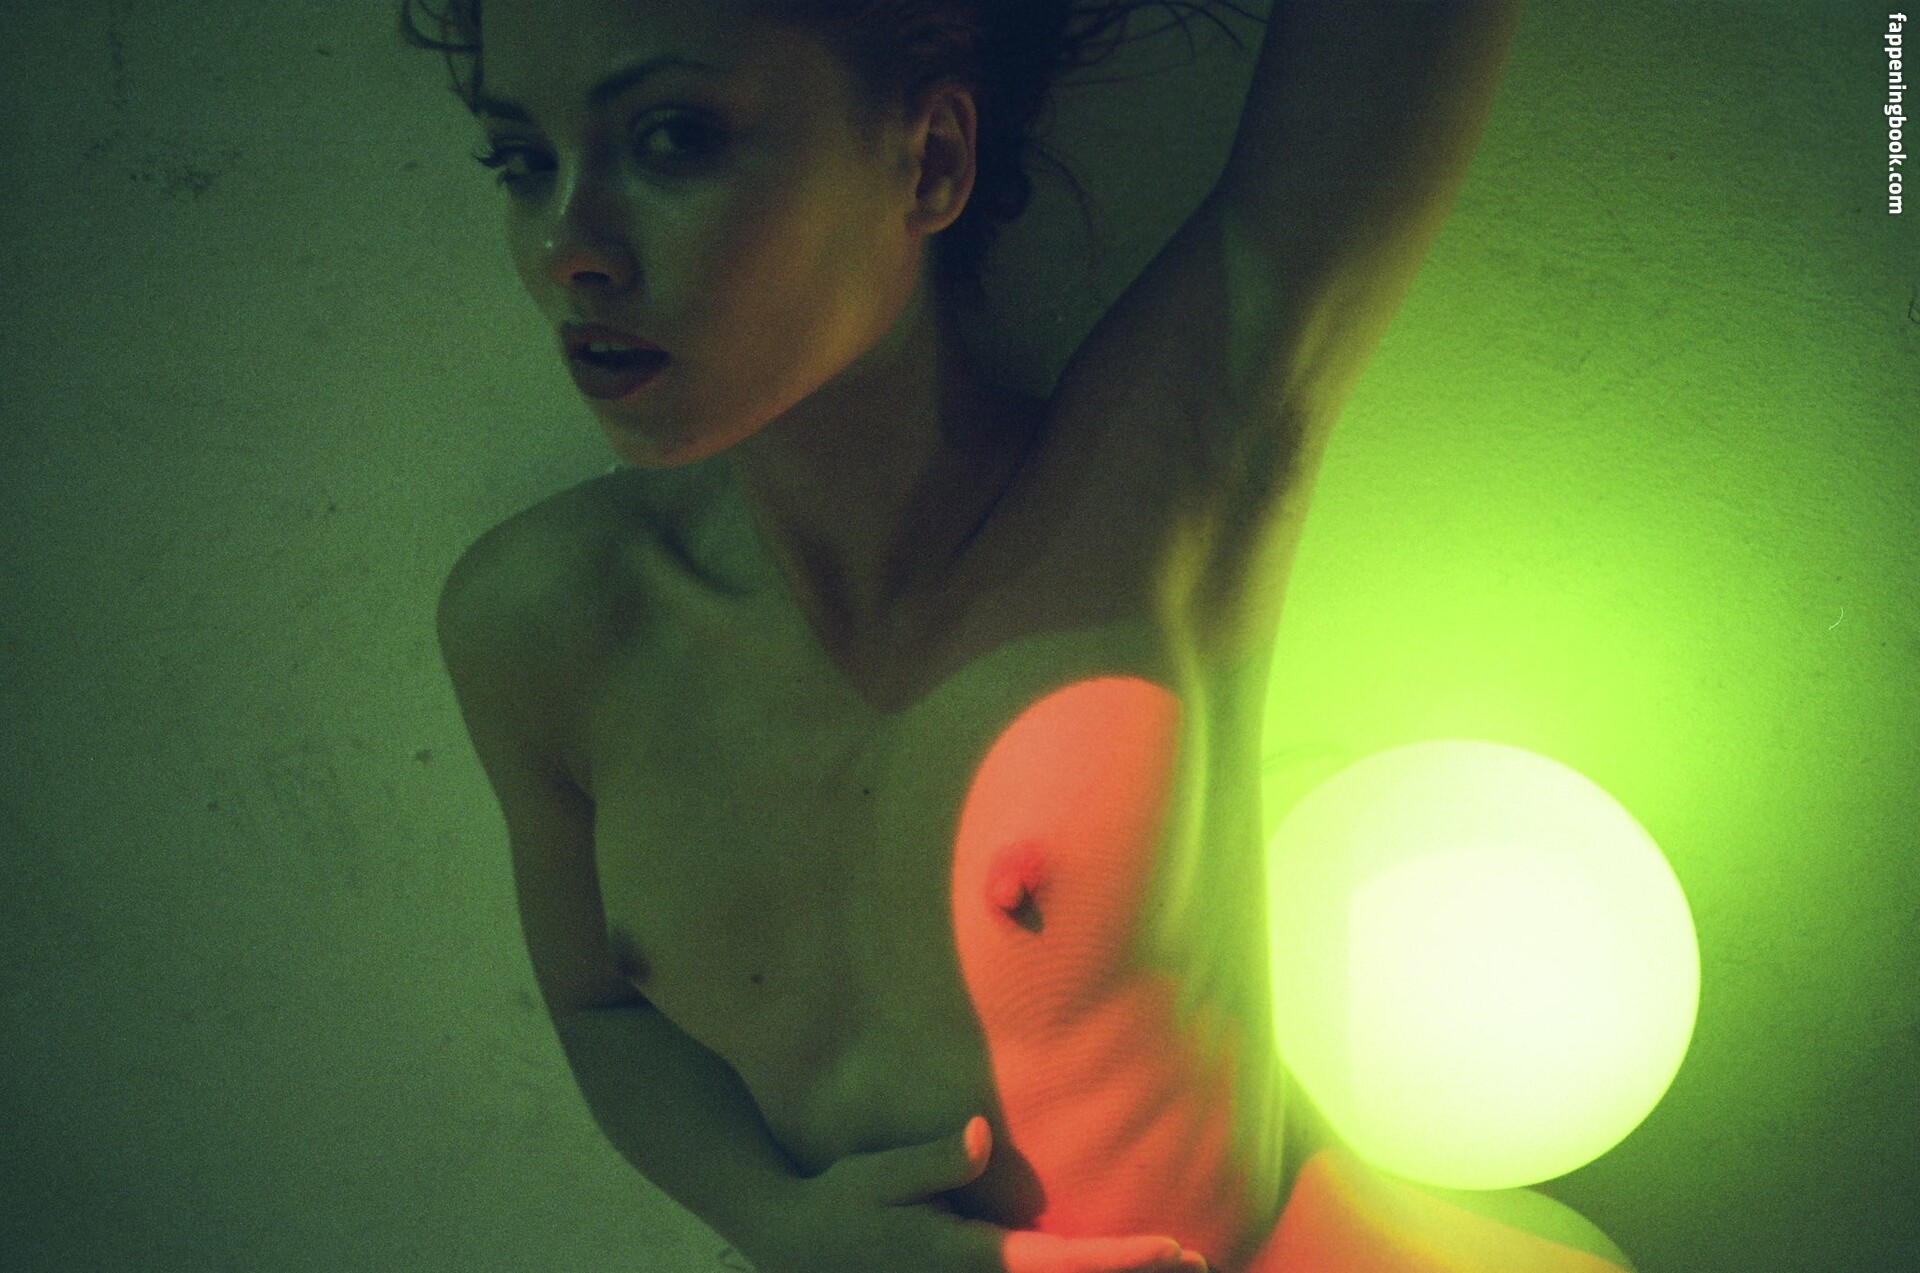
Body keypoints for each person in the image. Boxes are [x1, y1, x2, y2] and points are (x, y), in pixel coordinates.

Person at [415, 1, 1623, 1269]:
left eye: (672, 139)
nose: (565, 247)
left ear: (929, 161)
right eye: (522, 160)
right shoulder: (538, 627)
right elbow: (599, 1006)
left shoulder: (1156, 483)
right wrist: (775, 1219)